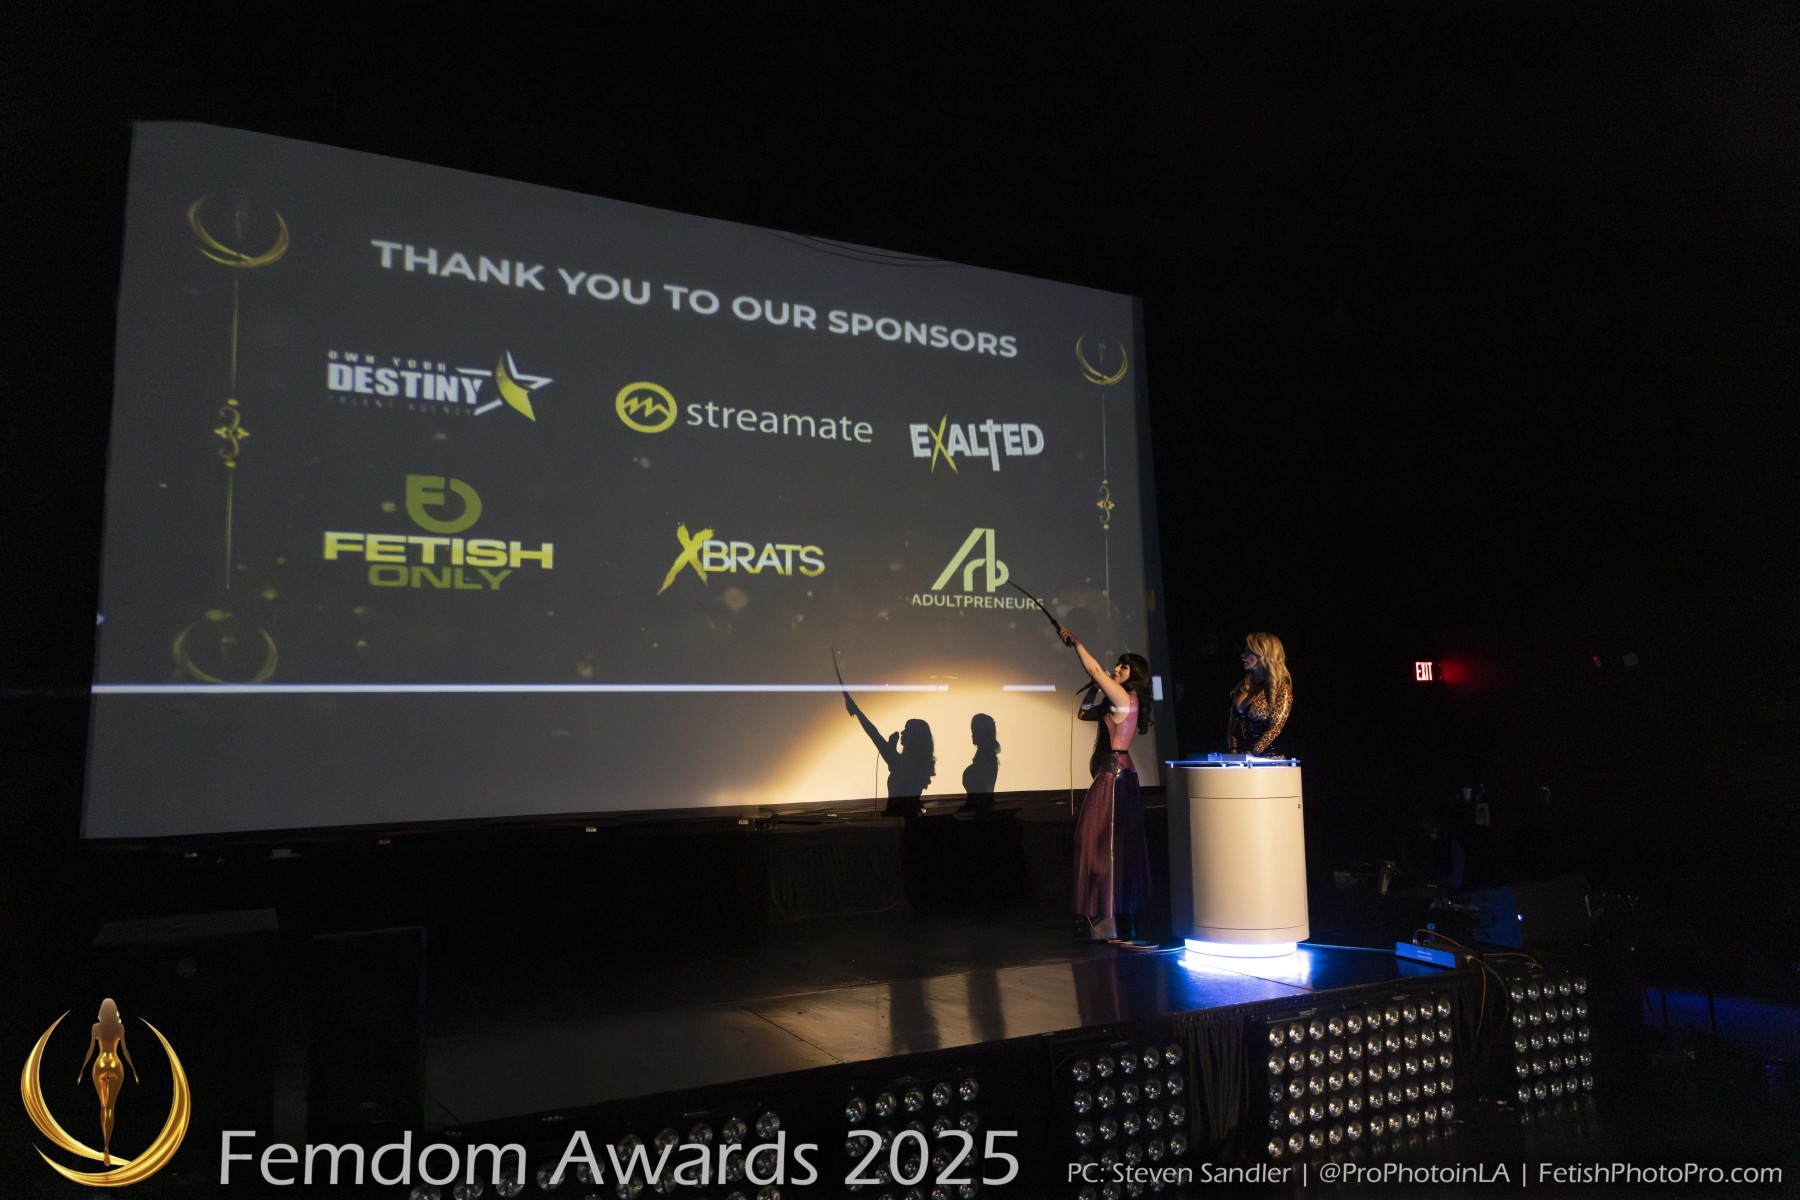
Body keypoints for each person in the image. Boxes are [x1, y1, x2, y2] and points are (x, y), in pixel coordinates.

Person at [1058, 623, 1154, 943]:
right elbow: (1085, 712)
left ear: (1134, 675)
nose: (1117, 668)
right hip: (1115, 773)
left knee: (1104, 845)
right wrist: (1095, 687)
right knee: (1105, 845)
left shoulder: (1125, 697)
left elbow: (1096, 670)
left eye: (1124, 667)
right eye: (1118, 664)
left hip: (1114, 777)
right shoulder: (1119, 699)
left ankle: (1107, 918)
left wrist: (1077, 643)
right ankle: (1106, 917)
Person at [845, 692, 935, 816]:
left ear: (914, 737)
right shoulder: (917, 764)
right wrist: (891, 747)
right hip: (912, 816)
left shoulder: (901, 764)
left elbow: (874, 734)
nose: (902, 732)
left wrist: (857, 711)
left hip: (899, 818)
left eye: (907, 729)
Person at [76, 998, 138, 1167]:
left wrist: (82, 1069)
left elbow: (91, 1049)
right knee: (111, 1107)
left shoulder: (96, 1027)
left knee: (103, 1107)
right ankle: (107, 1146)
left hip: (100, 1064)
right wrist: (133, 1069)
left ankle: (105, 1146)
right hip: (116, 1065)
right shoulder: (120, 1027)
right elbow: (124, 1049)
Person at [1227, 631, 1293, 755]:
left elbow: (1275, 728)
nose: (1243, 655)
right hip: (1240, 759)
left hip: (1267, 758)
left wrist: (1252, 752)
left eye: (1249, 651)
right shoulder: (1243, 685)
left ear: (1263, 654)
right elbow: (1232, 726)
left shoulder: (1281, 687)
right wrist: (1233, 749)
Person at [960, 713, 1000, 814]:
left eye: (975, 731)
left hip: (979, 811)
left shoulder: (986, 761)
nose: (972, 735)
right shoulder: (988, 759)